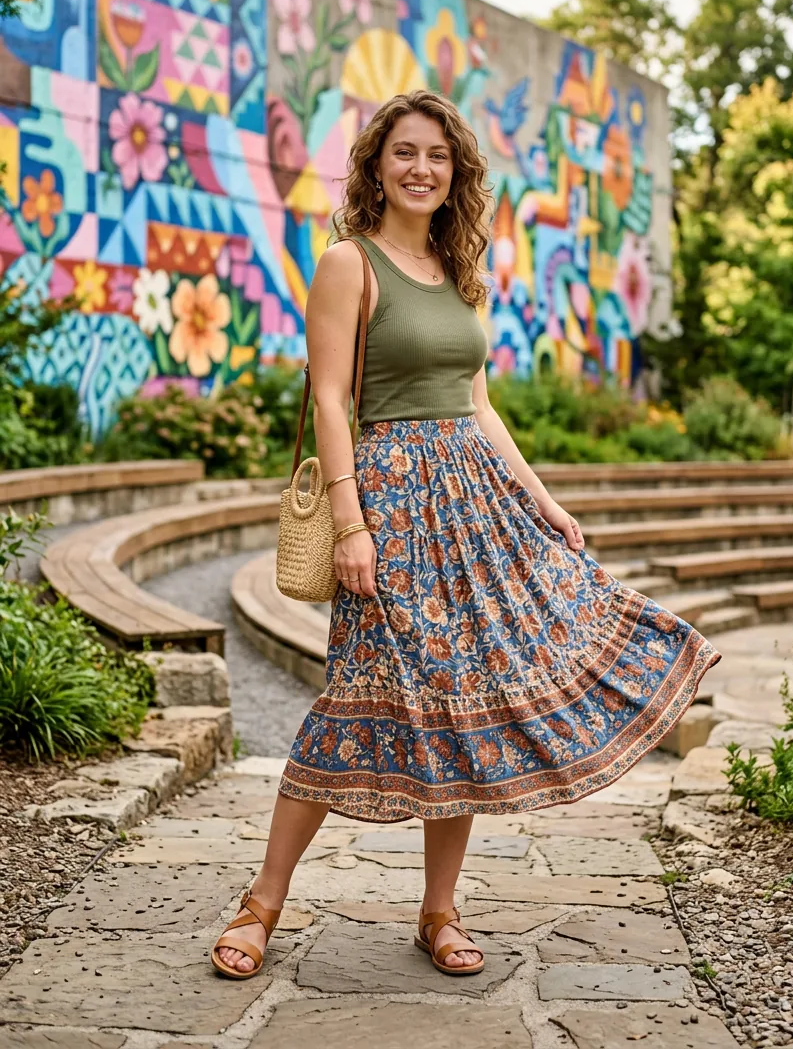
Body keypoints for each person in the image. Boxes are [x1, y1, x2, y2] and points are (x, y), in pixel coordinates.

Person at [211, 89, 720, 979]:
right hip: (393, 510)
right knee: (348, 700)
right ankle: (262, 906)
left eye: (437, 157)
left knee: (466, 712)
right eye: (404, 153)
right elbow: (331, 398)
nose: (420, 169)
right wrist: (351, 522)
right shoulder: (348, 262)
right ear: (376, 164)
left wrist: (543, 499)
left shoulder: (455, 266)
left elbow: (478, 403)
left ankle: (439, 911)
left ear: (456, 174)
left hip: (476, 508)